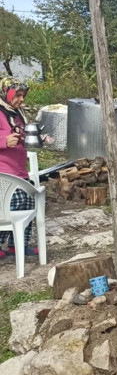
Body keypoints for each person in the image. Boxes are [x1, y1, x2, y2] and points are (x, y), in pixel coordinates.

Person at [0, 78, 37, 258]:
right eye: (18, 95)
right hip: (4, 172)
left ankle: (18, 245)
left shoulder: (16, 113)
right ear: (6, 93)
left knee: (27, 205)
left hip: (20, 170)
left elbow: (21, 134)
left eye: (23, 95)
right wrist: (4, 141)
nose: (21, 99)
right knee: (7, 209)